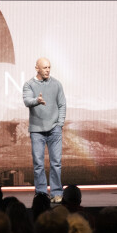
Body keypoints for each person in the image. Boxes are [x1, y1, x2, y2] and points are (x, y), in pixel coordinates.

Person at [23, 57, 66, 203]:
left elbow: (62, 105)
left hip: (54, 129)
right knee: (38, 164)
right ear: (37, 68)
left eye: (49, 67)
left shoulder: (57, 84)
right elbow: (27, 101)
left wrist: (59, 123)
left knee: (56, 163)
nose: (48, 70)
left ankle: (56, 193)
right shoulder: (29, 84)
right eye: (45, 68)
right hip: (37, 131)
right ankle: (41, 194)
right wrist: (37, 101)